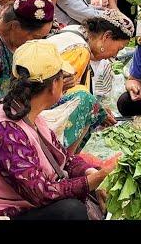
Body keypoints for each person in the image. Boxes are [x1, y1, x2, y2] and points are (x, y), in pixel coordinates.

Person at [0, 39, 119, 219]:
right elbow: (41, 193)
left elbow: (64, 159)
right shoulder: (4, 131)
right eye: (62, 78)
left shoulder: (27, 112)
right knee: (71, 211)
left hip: (29, 204)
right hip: (5, 213)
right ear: (54, 85)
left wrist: (89, 172)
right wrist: (95, 180)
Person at [48, 9, 134, 151]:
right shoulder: (80, 51)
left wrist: (98, 108)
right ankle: (64, 159)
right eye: (118, 48)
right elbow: (70, 98)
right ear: (106, 36)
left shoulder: (76, 31)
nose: (115, 55)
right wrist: (96, 111)